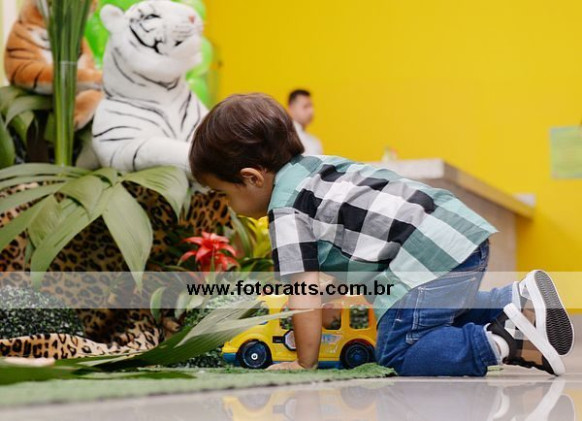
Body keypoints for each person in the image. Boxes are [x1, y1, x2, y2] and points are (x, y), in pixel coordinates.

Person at [189, 93, 574, 376]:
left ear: (251, 178)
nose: (227, 207)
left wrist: (304, 362)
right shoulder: (319, 166)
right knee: (438, 312)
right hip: (456, 234)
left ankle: (503, 341)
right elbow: (335, 269)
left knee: (399, 349)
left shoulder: (285, 208)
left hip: (424, 252)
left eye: (223, 195)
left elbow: (303, 292)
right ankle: (515, 300)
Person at [287, 89, 323, 155]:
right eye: (305, 106)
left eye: (311, 106)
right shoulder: (285, 138)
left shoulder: (315, 141)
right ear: (291, 109)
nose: (311, 111)